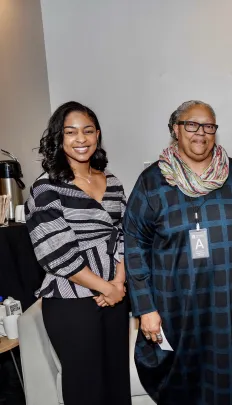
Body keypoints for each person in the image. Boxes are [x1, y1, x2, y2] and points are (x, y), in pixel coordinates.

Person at [123, 100, 232, 404]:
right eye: (192, 124)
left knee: (226, 379)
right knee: (182, 385)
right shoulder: (152, 182)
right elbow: (134, 245)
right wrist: (145, 308)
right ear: (175, 129)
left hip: (228, 303)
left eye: (209, 125)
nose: (201, 132)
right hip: (176, 306)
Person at [25, 101, 131, 405]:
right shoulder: (46, 188)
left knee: (117, 384)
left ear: (97, 135)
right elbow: (56, 251)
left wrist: (119, 283)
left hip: (114, 298)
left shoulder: (112, 182)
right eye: (70, 132)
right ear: (59, 138)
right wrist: (105, 287)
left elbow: (126, 234)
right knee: (86, 390)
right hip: (70, 302)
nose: (80, 139)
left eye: (87, 131)